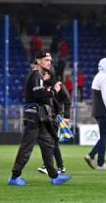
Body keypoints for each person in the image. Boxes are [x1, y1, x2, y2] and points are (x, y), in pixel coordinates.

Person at [8, 53, 71, 186]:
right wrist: (53, 91)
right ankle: (14, 176)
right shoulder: (36, 75)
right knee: (27, 146)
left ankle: (54, 176)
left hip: (39, 116)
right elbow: (38, 94)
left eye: (50, 60)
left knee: (47, 145)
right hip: (34, 116)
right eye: (46, 60)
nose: (49, 62)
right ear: (38, 61)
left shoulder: (39, 76)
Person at [38, 66, 71, 176]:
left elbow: (67, 100)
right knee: (53, 142)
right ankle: (60, 167)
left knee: (51, 142)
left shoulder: (59, 85)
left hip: (55, 116)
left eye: (45, 74)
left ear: (51, 74)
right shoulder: (44, 85)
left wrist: (66, 116)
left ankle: (48, 166)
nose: (43, 75)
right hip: (47, 116)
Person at [84, 58, 106, 170]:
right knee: (104, 137)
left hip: (99, 111)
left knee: (105, 136)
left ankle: (96, 158)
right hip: (103, 112)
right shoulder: (104, 78)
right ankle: (97, 160)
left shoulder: (99, 77)